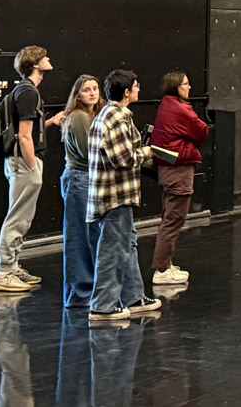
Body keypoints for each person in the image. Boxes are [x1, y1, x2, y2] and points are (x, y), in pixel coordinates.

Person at [87, 69, 162, 321]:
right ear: (127, 92)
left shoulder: (108, 114)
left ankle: (133, 297)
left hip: (115, 194)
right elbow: (124, 158)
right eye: (136, 86)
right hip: (114, 196)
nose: (140, 89)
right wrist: (148, 152)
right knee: (113, 249)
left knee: (127, 244)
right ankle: (103, 306)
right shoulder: (117, 117)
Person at [0, 45, 66, 293]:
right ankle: (4, 273)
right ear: (34, 64)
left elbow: (28, 127)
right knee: (18, 217)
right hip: (23, 162)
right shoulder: (28, 93)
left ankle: (11, 266)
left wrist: (51, 122)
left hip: (20, 161)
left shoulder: (27, 91)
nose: (49, 59)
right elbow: (24, 136)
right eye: (44, 57)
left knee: (22, 216)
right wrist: (32, 165)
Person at [149, 71, 209, 285]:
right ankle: (162, 270)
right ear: (176, 87)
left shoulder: (167, 105)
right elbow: (201, 131)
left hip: (169, 170)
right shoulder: (181, 109)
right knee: (174, 219)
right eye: (185, 83)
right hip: (178, 171)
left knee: (169, 217)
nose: (189, 87)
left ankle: (165, 264)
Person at [59, 74, 106, 307]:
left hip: (86, 179)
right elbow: (89, 153)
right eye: (86, 89)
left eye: (95, 88)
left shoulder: (90, 115)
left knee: (89, 237)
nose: (92, 93)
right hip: (80, 179)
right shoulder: (79, 117)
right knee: (79, 238)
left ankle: (85, 290)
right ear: (77, 94)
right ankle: (79, 293)